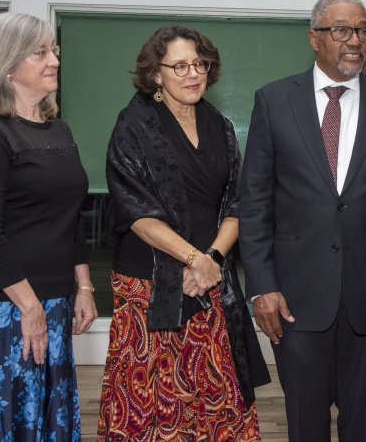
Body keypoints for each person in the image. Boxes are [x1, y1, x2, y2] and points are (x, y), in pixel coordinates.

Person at [239, 0, 366, 442]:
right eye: (342, 30)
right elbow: (256, 201)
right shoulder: (274, 101)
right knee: (305, 426)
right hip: (296, 301)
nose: (355, 40)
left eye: (363, 30)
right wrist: (261, 286)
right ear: (314, 38)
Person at [98, 25, 270, 441]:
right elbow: (136, 212)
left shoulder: (220, 126)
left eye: (200, 64)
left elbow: (237, 203)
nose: (193, 74)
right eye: (179, 66)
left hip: (210, 283)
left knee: (217, 402)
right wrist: (193, 259)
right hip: (150, 287)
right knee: (152, 408)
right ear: (156, 74)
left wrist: (211, 259)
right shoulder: (134, 124)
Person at [0, 12, 98, 441]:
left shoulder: (59, 130)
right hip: (4, 303)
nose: (54, 61)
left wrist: (83, 287)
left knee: (47, 410)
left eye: (54, 50)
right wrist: (29, 308)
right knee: (11, 413)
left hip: (53, 297)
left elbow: (72, 218)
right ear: (7, 64)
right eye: (41, 52)